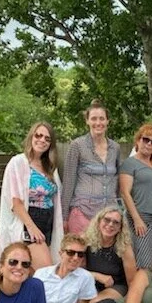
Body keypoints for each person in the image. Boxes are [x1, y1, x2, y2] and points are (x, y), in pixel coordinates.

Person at [0, 122, 63, 268]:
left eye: (47, 138)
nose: (42, 140)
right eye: (38, 135)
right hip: (30, 222)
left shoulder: (50, 167)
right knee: (46, 270)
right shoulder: (18, 162)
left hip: (48, 223)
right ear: (31, 137)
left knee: (31, 271)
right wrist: (32, 228)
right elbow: (16, 202)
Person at [62, 100, 121, 234]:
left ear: (107, 121)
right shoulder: (77, 145)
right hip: (83, 213)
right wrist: (64, 217)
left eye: (102, 119)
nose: (98, 123)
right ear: (87, 121)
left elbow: (117, 181)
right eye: (94, 119)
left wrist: (118, 209)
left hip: (108, 216)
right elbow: (68, 183)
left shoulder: (115, 148)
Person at [34, 234, 97, 303]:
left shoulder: (85, 278)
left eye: (80, 254)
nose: (76, 258)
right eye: (70, 252)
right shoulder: (41, 274)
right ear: (61, 253)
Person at [120, 123, 152, 268]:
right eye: (146, 139)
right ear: (138, 140)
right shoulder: (130, 163)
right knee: (143, 261)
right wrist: (137, 219)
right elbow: (125, 193)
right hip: (141, 218)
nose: (149, 144)